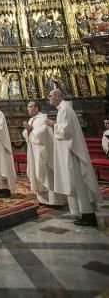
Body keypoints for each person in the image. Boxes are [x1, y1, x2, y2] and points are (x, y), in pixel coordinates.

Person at [46, 89, 102, 226]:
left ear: (58, 96)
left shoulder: (65, 109)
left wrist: (54, 125)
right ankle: (83, 214)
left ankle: (88, 215)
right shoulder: (63, 109)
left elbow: (67, 131)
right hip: (69, 152)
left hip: (73, 154)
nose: (49, 98)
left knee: (79, 183)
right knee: (75, 183)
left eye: (50, 96)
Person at [22, 101, 66, 207]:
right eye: (27, 107)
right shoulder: (31, 119)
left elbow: (43, 133)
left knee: (46, 175)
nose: (27, 109)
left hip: (43, 153)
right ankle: (42, 200)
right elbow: (26, 134)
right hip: (34, 151)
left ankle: (54, 201)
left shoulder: (43, 118)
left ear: (36, 108)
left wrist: (31, 129)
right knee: (37, 174)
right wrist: (28, 131)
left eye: (30, 107)